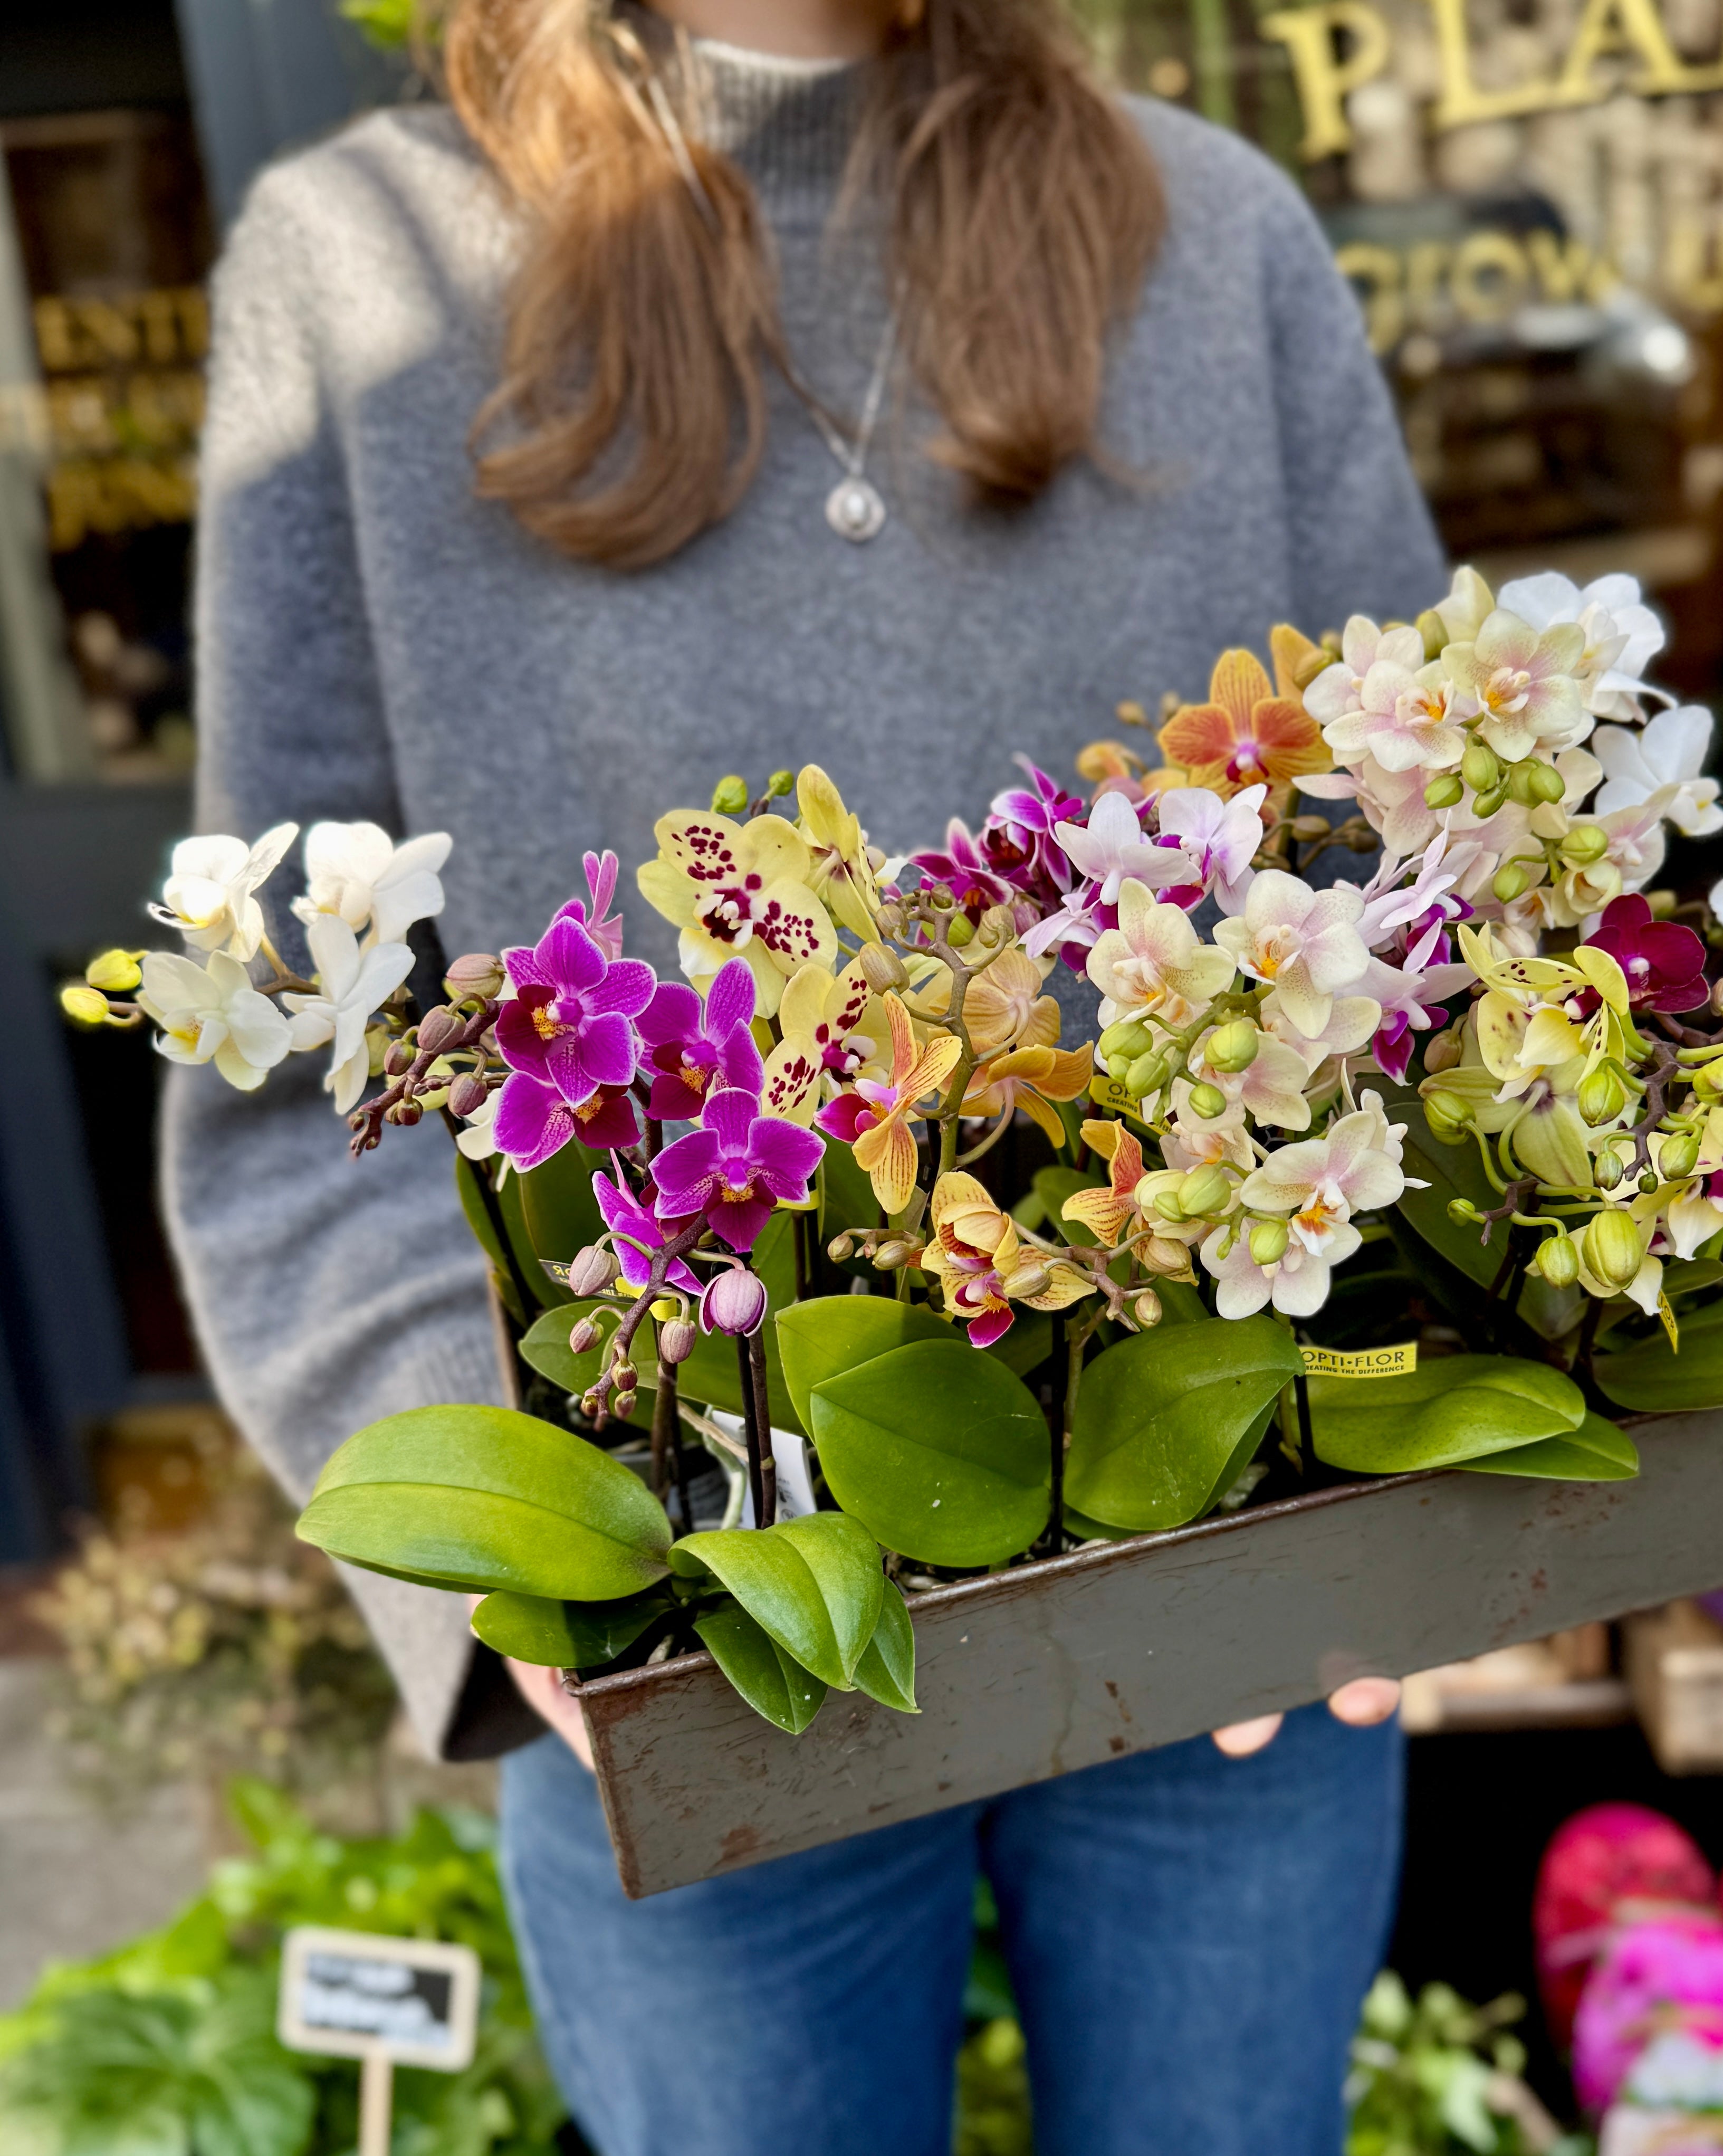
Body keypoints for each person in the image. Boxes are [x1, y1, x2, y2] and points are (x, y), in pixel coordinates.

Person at [165, 0, 1446, 2148]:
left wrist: (1413, 1449)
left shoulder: (1211, 238)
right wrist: (513, 1557)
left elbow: (1420, 911)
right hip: (697, 1607)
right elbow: (292, 1056)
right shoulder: (362, 271)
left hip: (1227, 1544)